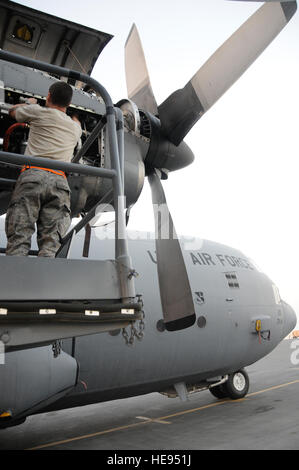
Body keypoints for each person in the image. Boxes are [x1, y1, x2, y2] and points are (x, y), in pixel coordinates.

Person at [5, 81, 82, 257]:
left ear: (48, 96)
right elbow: (77, 123)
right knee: (51, 246)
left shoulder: (38, 112)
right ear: (68, 104)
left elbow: (12, 111)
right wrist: (76, 116)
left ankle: (15, 281)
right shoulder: (74, 127)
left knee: (19, 238)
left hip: (33, 177)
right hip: (60, 183)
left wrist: (29, 103)